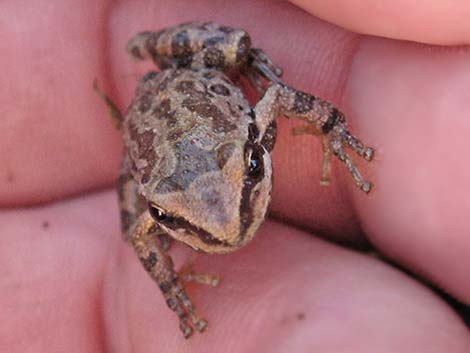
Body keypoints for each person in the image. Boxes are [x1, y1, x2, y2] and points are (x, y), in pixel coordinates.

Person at [0, 1, 468, 351]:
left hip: (194, 77)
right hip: (148, 132)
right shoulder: (160, 211)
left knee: (238, 47)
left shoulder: (250, 135)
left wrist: (334, 128)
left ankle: (172, 61)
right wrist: (170, 283)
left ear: (250, 157)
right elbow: (143, 234)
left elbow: (278, 98)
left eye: (247, 176)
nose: (229, 227)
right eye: (168, 216)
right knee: (133, 230)